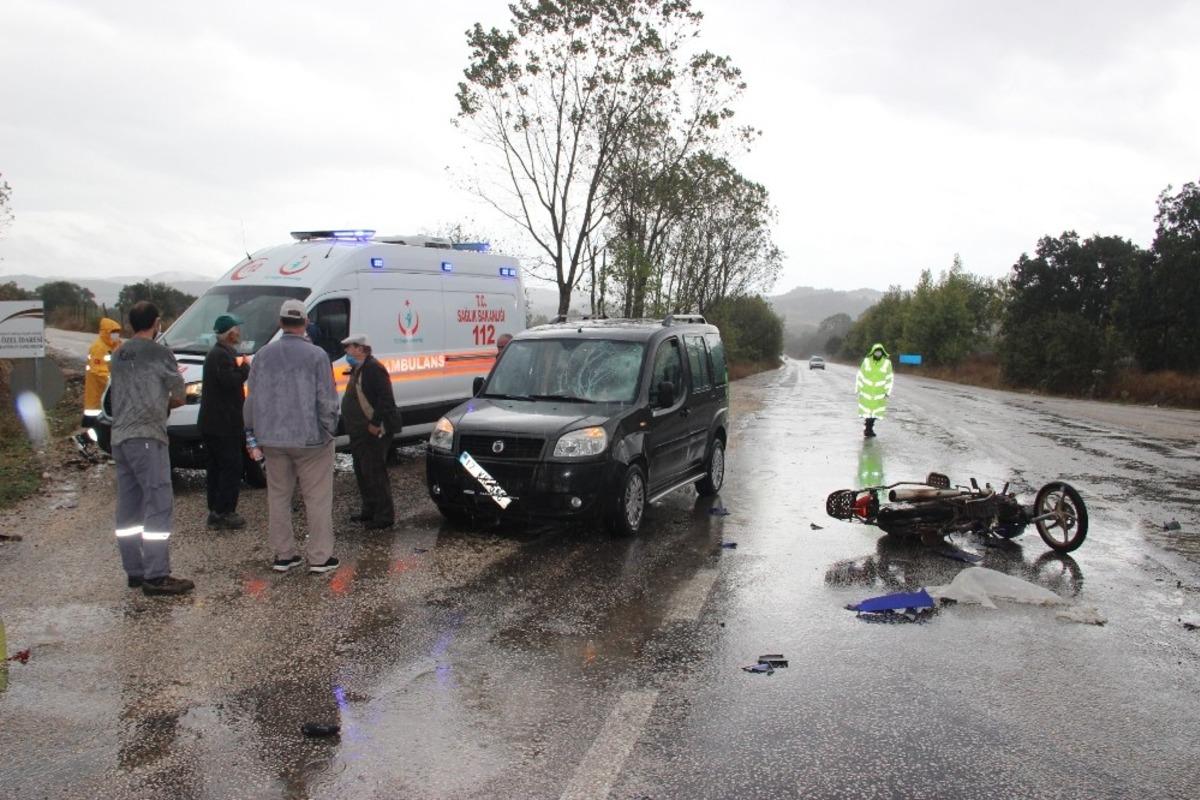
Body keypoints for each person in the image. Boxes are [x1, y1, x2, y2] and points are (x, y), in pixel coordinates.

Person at [244, 299, 340, 574]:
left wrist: (252, 433)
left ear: (280, 323)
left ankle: (284, 555)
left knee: (278, 497)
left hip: (272, 439)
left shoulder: (262, 355)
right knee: (318, 499)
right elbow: (327, 400)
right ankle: (320, 558)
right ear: (306, 322)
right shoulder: (317, 356)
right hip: (311, 440)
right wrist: (328, 429)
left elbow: (251, 399)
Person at [109, 301, 193, 596]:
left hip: (119, 437)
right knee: (158, 503)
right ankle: (157, 575)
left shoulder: (117, 354)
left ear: (131, 323)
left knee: (129, 507)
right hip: (148, 436)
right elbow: (180, 394)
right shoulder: (160, 352)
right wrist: (163, 403)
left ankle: (135, 570)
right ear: (156, 323)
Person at [340, 334, 400, 529]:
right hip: (359, 431)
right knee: (362, 471)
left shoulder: (374, 368)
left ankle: (384, 515)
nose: (346, 352)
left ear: (360, 348)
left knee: (374, 471)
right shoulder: (360, 368)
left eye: (349, 348)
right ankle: (370, 510)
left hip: (371, 430)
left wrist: (375, 423)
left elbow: (385, 398)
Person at [198, 313, 251, 530]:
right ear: (229, 333)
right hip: (223, 424)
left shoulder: (220, 354)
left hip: (215, 423)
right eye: (236, 329)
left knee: (217, 468)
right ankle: (224, 511)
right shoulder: (221, 356)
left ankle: (216, 510)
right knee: (231, 467)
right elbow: (230, 381)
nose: (239, 333)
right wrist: (245, 368)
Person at [75, 317, 122, 452]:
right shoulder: (98, 348)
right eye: (113, 332)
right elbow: (99, 371)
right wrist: (115, 380)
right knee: (99, 424)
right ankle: (84, 440)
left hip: (110, 394)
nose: (116, 335)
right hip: (98, 393)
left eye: (118, 332)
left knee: (106, 424)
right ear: (105, 332)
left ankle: (89, 442)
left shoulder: (116, 345)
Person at [855, 342, 893, 438]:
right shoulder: (866, 361)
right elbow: (861, 375)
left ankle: (869, 428)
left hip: (879, 392)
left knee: (875, 412)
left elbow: (889, 378)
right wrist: (858, 388)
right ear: (873, 352)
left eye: (880, 351)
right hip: (867, 391)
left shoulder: (887, 363)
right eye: (876, 351)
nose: (878, 353)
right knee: (868, 412)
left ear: (882, 352)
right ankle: (868, 429)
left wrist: (887, 391)